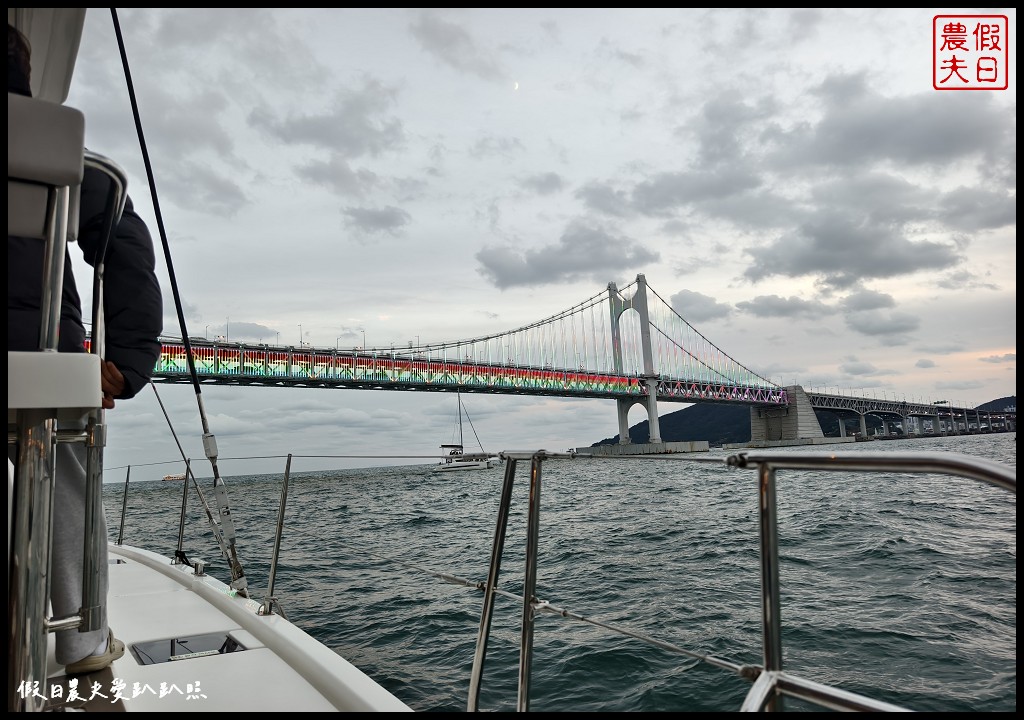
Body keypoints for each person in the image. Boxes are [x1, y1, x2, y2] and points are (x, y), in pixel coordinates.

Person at [8, 22, 163, 675]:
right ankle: (82, 643)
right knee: (67, 484)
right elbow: (124, 245)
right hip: (41, 353)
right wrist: (127, 363)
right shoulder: (63, 158)